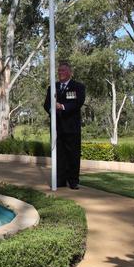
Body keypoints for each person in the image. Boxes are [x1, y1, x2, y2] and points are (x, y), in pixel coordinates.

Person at [44, 61, 86, 189]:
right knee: (59, 155)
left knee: (72, 154)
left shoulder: (77, 87)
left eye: (63, 70)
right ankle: (60, 180)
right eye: (59, 70)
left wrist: (62, 106)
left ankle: (73, 181)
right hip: (57, 127)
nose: (60, 73)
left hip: (71, 127)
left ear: (69, 72)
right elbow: (46, 104)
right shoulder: (52, 87)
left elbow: (78, 103)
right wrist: (52, 109)